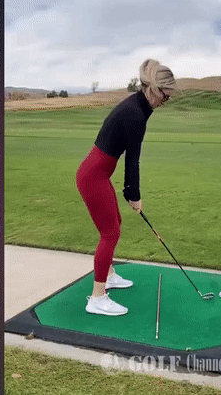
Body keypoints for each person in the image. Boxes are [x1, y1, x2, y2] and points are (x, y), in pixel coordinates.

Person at [76, 59, 177, 316]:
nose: (166, 101)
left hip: (98, 174)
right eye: (165, 95)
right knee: (109, 233)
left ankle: (108, 275)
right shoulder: (135, 114)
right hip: (93, 176)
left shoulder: (139, 105)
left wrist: (130, 192)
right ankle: (97, 297)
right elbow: (132, 160)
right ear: (153, 88)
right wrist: (134, 195)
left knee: (115, 224)